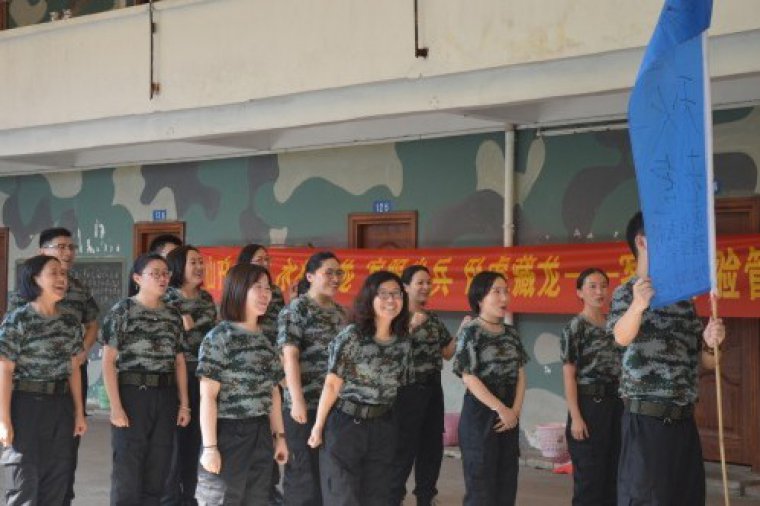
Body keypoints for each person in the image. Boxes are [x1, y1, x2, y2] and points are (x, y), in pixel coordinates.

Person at [608, 212, 725, 505]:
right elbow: (620, 337)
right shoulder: (626, 294)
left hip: (684, 421)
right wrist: (638, 306)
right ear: (642, 242)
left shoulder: (683, 300)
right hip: (646, 422)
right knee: (647, 499)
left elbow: (706, 362)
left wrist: (712, 343)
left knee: (688, 498)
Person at [6, 227, 99, 506]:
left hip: (61, 402)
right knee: (24, 478)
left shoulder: (69, 320)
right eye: (53, 273)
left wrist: (79, 412)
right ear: (35, 279)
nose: (62, 279)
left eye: (63, 274)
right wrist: (3, 419)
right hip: (27, 402)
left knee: (59, 475)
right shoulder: (19, 318)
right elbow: (5, 370)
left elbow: (73, 368)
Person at [308, 270, 411, 506]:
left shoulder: (403, 341)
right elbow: (332, 384)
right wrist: (318, 426)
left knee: (377, 495)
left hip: (383, 425)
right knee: (342, 495)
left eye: (396, 294)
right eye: (383, 294)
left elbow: (401, 384)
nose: (391, 300)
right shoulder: (352, 336)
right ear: (370, 298)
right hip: (347, 425)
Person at [100, 253, 191, 506]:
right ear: (138, 278)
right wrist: (115, 407)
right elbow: (108, 362)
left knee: (158, 466)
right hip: (132, 394)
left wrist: (184, 404)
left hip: (165, 395)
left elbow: (179, 361)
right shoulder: (123, 310)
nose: (162, 278)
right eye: (155, 273)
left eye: (166, 273)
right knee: (128, 467)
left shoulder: (173, 314)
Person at [195, 263, 288, 506]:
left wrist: (279, 436)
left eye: (268, 288)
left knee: (257, 500)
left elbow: (273, 392)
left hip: (260, 432)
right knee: (222, 499)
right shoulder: (219, 338)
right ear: (238, 290)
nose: (265, 294)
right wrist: (210, 447)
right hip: (228, 432)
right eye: (257, 287)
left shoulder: (266, 341)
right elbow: (208, 397)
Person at [277, 251, 347, 506]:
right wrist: (297, 400)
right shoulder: (296, 309)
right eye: (328, 273)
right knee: (302, 474)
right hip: (304, 406)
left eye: (339, 273)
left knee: (330, 472)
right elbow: (289, 356)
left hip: (334, 406)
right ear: (310, 276)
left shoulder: (341, 313)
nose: (335, 278)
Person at [453, 271, 528, 506]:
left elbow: (521, 374)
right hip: (481, 414)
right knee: (481, 487)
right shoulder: (471, 331)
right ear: (479, 298)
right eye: (496, 291)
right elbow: (468, 377)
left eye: (506, 291)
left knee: (506, 483)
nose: (504, 297)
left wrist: (514, 411)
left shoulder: (511, 333)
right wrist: (500, 409)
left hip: (509, 416)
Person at [390, 265, 455, 506]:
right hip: (406, 391)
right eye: (420, 282)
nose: (426, 287)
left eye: (428, 282)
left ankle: (426, 497)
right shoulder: (394, 318)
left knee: (431, 446)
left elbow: (447, 353)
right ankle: (393, 497)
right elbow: (388, 352)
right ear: (405, 287)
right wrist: (410, 328)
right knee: (403, 448)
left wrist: (462, 332)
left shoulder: (433, 318)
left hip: (433, 389)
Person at [161, 246, 218, 505]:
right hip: (176, 375)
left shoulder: (206, 298)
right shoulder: (167, 297)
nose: (199, 267)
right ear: (177, 267)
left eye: (201, 262)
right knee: (174, 442)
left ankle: (190, 497)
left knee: (199, 438)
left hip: (204, 376)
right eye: (192, 262)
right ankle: (170, 498)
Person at [561, 267, 621, 506]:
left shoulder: (614, 325)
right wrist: (576, 417)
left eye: (604, 286)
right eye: (592, 287)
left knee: (614, 474)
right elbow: (569, 376)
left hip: (615, 405)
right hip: (588, 406)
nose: (599, 292)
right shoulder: (575, 327)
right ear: (580, 292)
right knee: (590, 479)